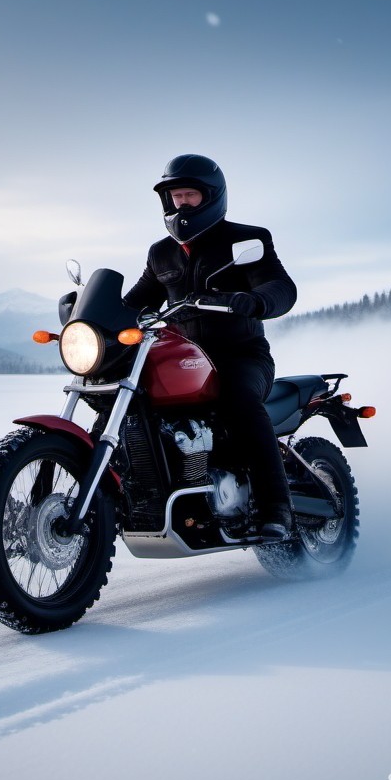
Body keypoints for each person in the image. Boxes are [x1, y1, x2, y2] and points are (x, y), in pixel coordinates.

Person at [123, 154, 298, 540]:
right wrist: (95, 317)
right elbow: (134, 303)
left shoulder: (247, 240)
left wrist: (256, 300)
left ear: (212, 197)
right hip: (184, 360)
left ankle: (277, 507)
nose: (182, 203)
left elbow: (281, 287)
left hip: (240, 355)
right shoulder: (161, 253)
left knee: (239, 401)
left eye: (190, 195)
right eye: (175, 196)